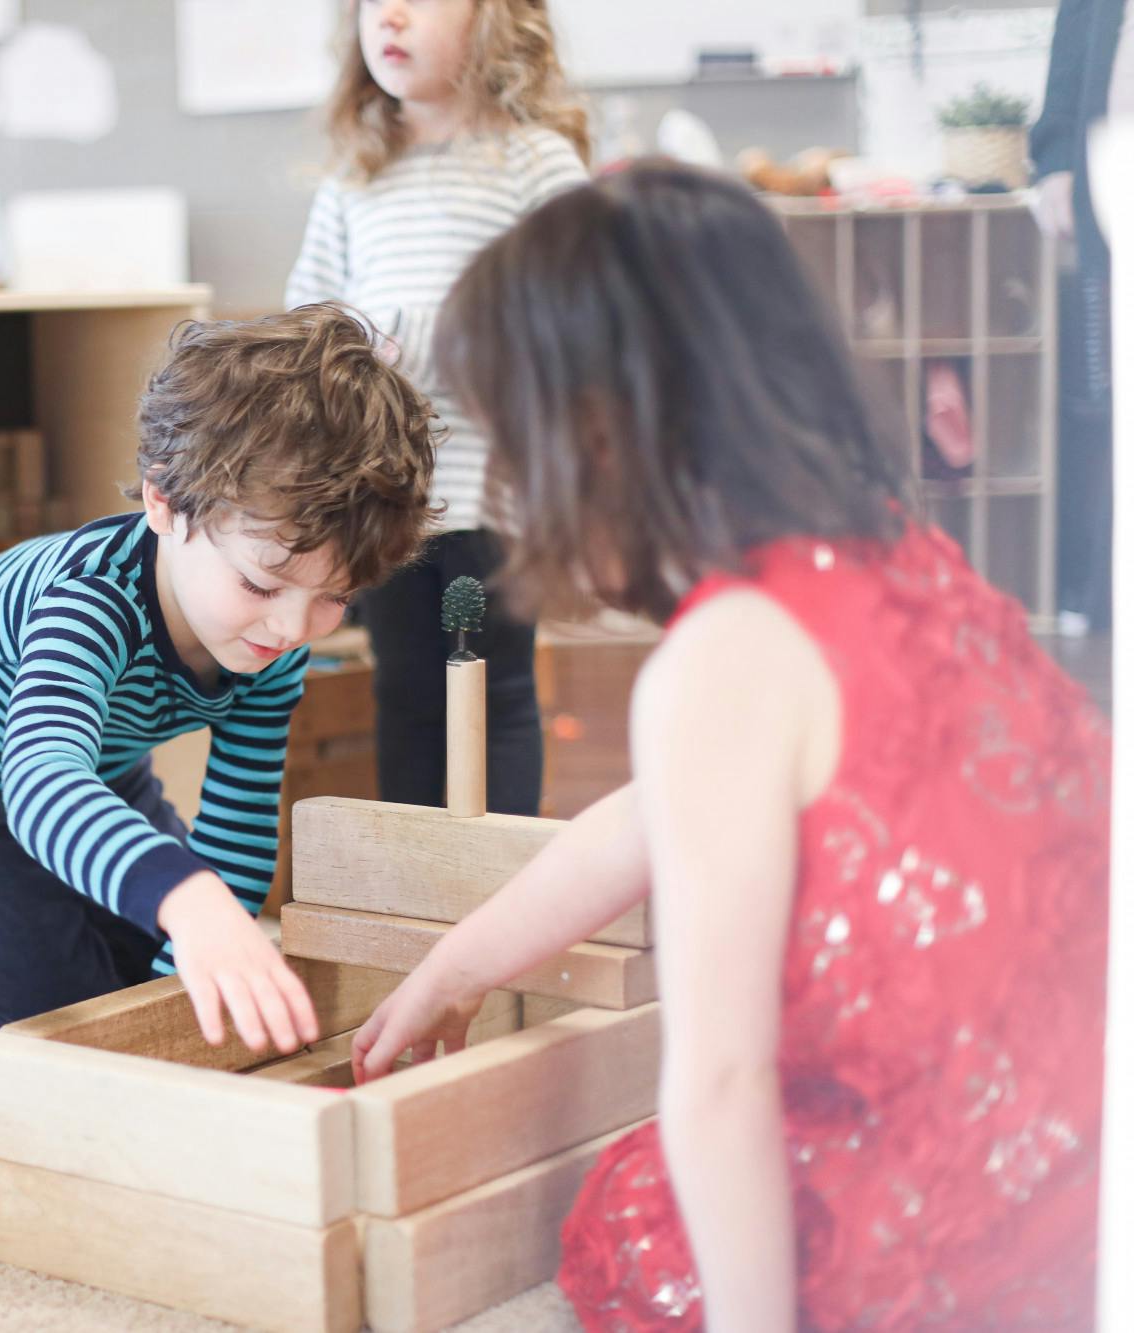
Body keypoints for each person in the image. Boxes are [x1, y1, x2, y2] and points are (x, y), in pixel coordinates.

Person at [353, 162, 1110, 1330]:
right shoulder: (894, 553)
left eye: (513, 451)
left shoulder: (720, 661)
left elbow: (719, 1087)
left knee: (639, 1217)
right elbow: (655, 815)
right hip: (1087, 1175)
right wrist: (459, 963)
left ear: (598, 444)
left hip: (956, 1220)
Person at [0, 304, 438, 1047]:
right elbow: (40, 784)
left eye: (335, 597)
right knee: (61, 1039)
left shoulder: (273, 639)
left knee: (163, 980)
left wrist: (183, 982)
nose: (294, 629)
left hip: (103, 769)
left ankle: (41, 932)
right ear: (164, 503)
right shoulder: (88, 602)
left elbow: (238, 821)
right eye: (262, 586)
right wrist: (187, 899)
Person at [285, 0, 590, 816]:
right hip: (387, 507)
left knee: (492, 691)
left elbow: (576, 321)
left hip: (494, 502)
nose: (388, 15)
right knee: (410, 696)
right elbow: (308, 318)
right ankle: (418, 897)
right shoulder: (358, 176)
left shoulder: (535, 163)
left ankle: (495, 897)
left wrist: (415, 338)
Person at [1032, 0, 1123, 633]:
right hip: (1113, 183)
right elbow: (1076, 40)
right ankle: (1097, 592)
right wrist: (1056, 160)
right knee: (1106, 400)